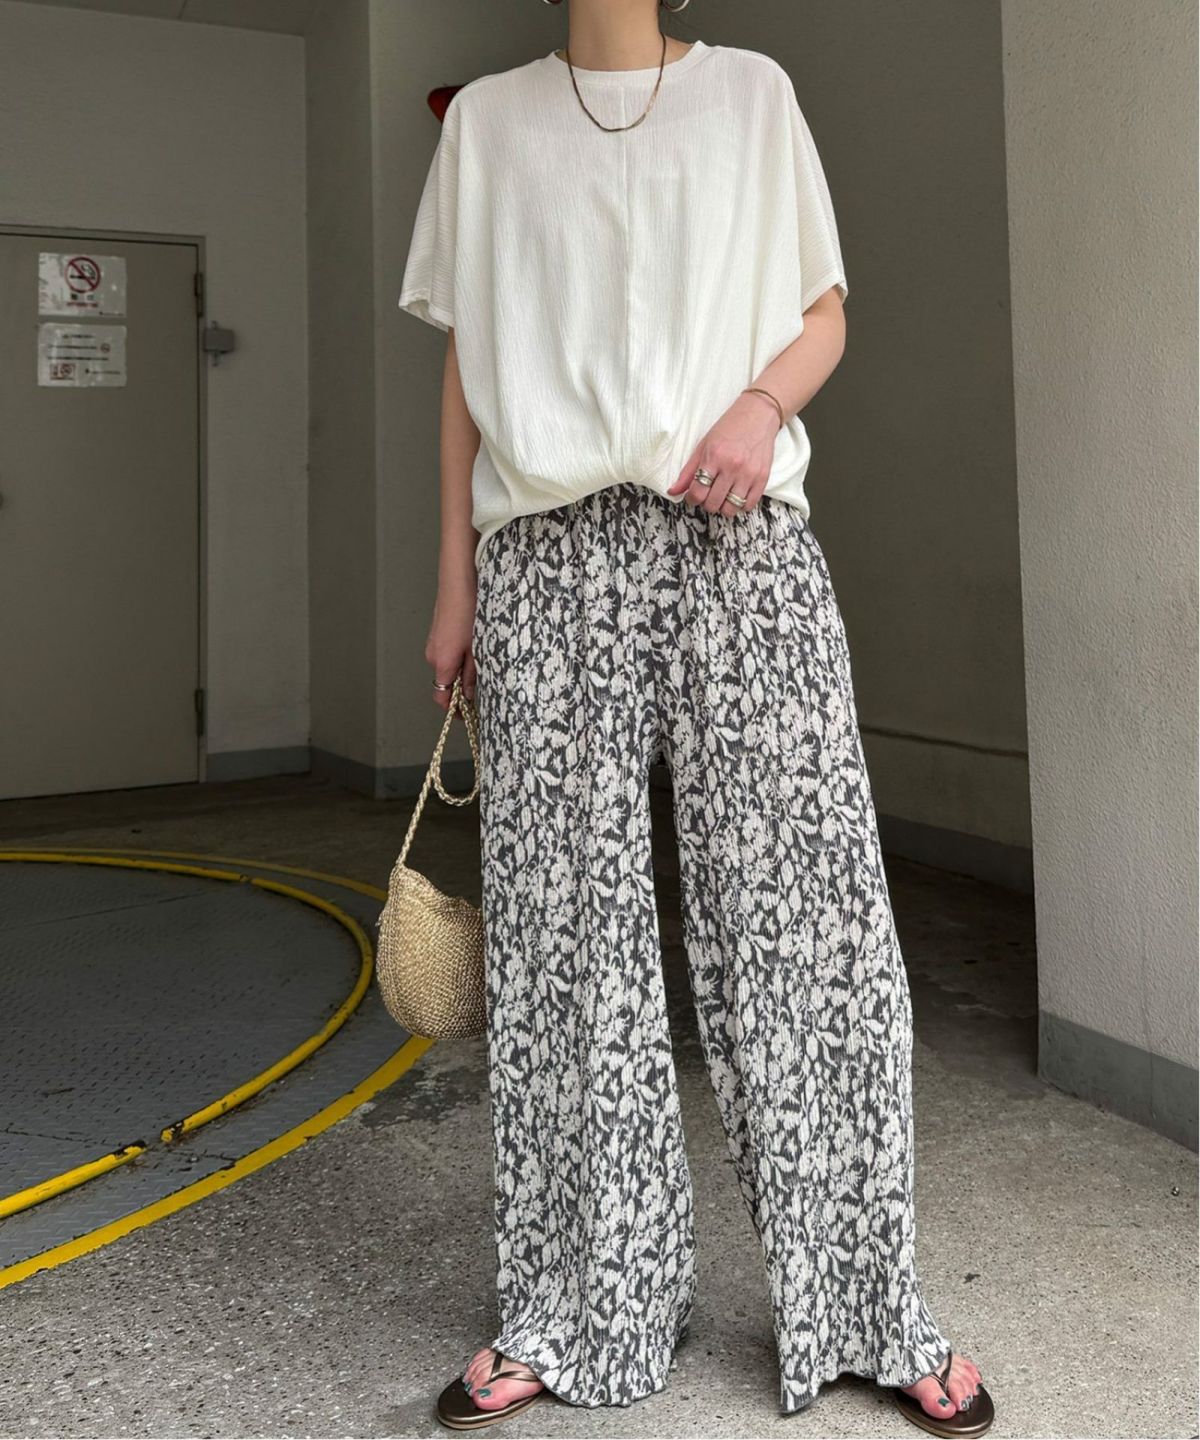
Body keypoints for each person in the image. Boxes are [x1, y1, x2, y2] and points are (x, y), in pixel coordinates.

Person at [398, 2, 994, 1434]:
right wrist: (454, 584)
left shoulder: (752, 97)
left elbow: (823, 310)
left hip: (741, 541)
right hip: (545, 558)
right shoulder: (486, 125)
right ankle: (576, 1303)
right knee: (563, 944)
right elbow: (469, 367)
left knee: (814, 926)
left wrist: (758, 405)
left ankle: (868, 1304)